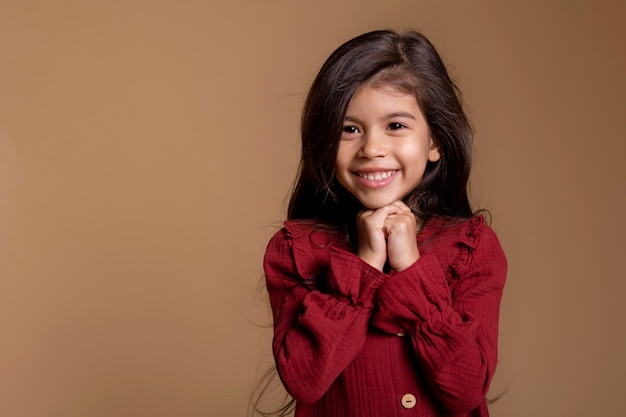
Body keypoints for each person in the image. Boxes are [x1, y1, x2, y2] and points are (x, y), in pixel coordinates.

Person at [262, 29, 507, 417]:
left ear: (434, 142)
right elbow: (305, 380)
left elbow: (467, 389)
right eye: (349, 129)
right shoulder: (294, 249)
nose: (371, 149)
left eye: (395, 126)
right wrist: (363, 265)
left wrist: (410, 267)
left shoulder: (471, 247)